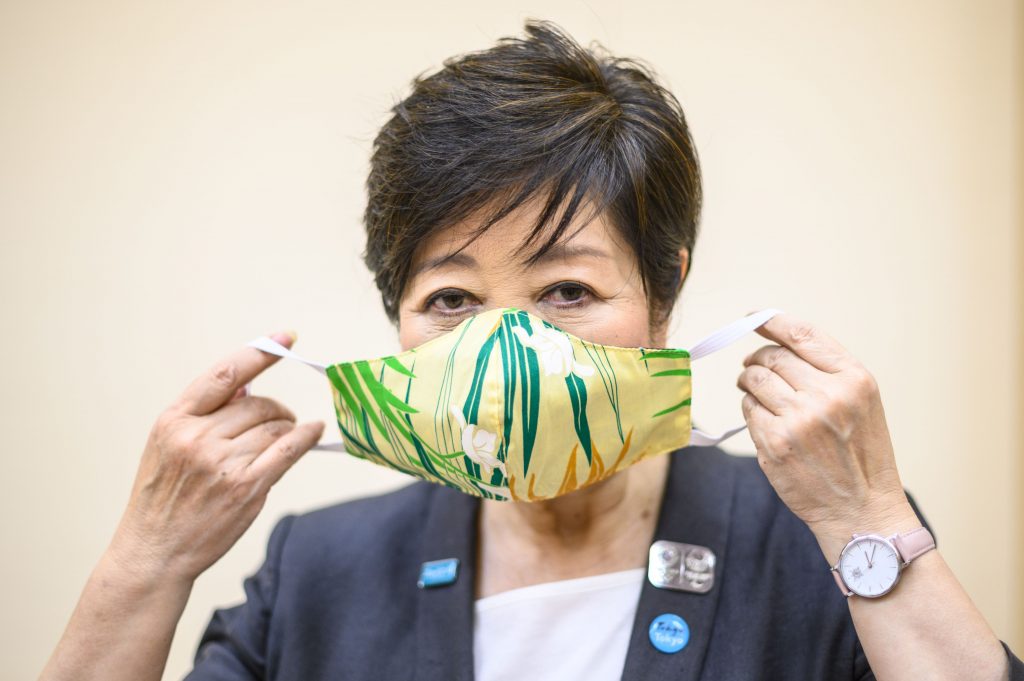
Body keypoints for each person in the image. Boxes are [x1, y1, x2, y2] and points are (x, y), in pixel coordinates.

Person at [40, 19, 1021, 681]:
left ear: (663, 295)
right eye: (452, 297)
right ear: (397, 328)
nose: (504, 350)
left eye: (566, 291)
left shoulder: (820, 544)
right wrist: (146, 563)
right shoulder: (319, 572)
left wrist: (867, 518)